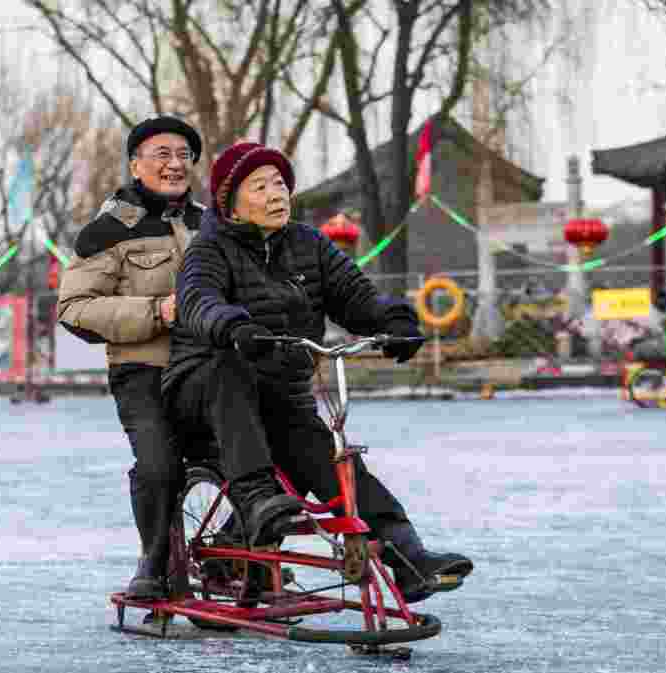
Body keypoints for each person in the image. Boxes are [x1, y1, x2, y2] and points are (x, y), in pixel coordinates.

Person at [162, 141, 473, 604]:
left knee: (328, 461)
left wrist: (393, 321)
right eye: (260, 187)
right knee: (228, 367)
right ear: (231, 203)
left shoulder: (309, 244)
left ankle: (407, 556)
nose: (276, 194)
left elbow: (356, 296)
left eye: (279, 183)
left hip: (279, 398)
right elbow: (198, 302)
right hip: (205, 391)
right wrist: (234, 326)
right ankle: (255, 498)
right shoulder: (209, 250)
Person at [57, 116, 205, 601]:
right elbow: (73, 309)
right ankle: (153, 558)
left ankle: (237, 555)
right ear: (136, 165)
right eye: (162, 154)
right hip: (143, 370)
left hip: (209, 368)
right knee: (160, 466)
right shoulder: (107, 231)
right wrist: (156, 311)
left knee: (256, 457)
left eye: (184, 155)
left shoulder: (212, 225)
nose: (175, 164)